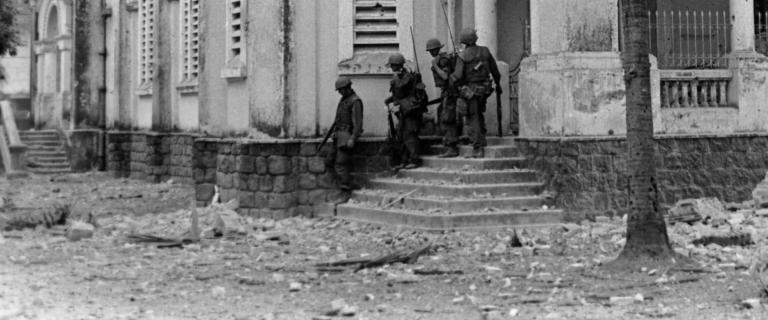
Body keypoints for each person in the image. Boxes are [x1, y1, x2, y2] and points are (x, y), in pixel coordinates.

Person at [450, 28, 502, 158]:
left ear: (464, 41)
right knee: (479, 114)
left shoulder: (462, 56)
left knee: (472, 117)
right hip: (485, 89)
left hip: (471, 91)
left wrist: (451, 81)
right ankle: (482, 139)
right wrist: (498, 85)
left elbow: (457, 76)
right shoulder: (485, 51)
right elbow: (495, 72)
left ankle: (477, 148)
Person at [385, 53, 423, 170]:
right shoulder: (397, 78)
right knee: (401, 135)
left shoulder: (408, 77)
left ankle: (414, 159)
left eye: (393, 65)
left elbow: (406, 92)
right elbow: (397, 95)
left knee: (410, 135)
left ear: (398, 65)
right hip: (402, 110)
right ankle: (404, 160)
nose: (392, 67)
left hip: (411, 110)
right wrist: (389, 100)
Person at [327, 76, 363, 191]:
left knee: (340, 164)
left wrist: (353, 138)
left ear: (347, 88)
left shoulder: (355, 101)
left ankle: (347, 185)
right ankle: (345, 183)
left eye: (341, 90)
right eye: (339, 90)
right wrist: (334, 132)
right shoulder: (344, 100)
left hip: (346, 136)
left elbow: (357, 123)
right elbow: (338, 118)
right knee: (329, 160)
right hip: (338, 135)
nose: (340, 92)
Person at [426, 38, 459, 158]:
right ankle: (448, 143)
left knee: (447, 118)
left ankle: (452, 147)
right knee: (443, 115)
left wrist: (435, 65)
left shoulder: (443, 60)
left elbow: (445, 76)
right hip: (446, 92)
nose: (430, 52)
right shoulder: (441, 59)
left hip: (450, 92)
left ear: (436, 49)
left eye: (431, 50)